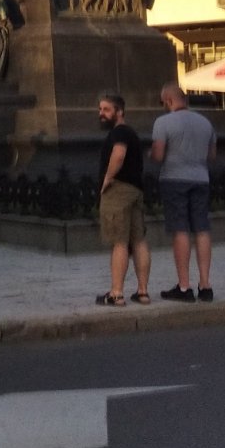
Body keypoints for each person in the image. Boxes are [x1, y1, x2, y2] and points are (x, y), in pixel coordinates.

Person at [152, 84, 216, 302]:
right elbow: (212, 155)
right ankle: (205, 285)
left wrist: (151, 153)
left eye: (163, 102)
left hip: (174, 179)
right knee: (201, 228)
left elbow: (159, 155)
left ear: (169, 101)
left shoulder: (163, 123)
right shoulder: (205, 122)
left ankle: (184, 286)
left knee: (180, 229)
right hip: (201, 178)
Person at [95, 95, 151, 306]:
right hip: (136, 190)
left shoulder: (119, 132)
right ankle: (143, 291)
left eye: (106, 109)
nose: (101, 113)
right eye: (100, 109)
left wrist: (107, 179)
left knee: (119, 241)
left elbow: (118, 155)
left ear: (119, 111)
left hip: (119, 190)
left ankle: (116, 293)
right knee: (138, 240)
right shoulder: (131, 133)